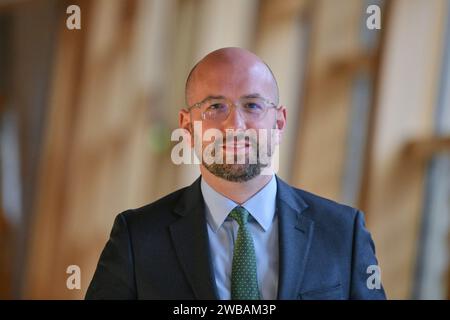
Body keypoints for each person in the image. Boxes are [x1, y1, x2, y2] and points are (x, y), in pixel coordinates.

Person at [86, 47, 386, 300]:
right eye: (215, 107)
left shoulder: (343, 234)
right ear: (188, 127)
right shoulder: (137, 238)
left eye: (252, 105)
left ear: (278, 123)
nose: (235, 126)